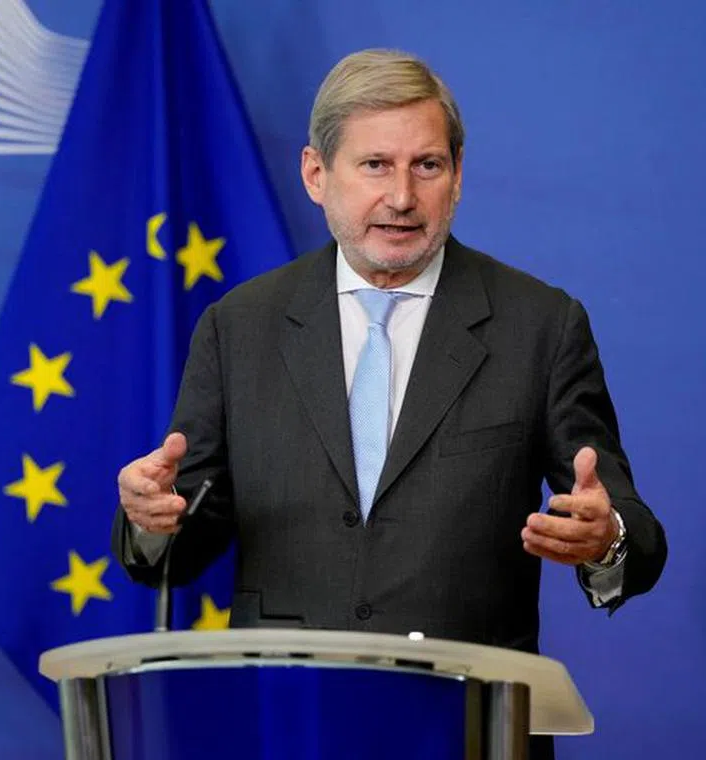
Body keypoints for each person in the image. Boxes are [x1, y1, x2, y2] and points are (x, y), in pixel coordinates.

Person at [113, 48, 666, 746]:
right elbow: (180, 543)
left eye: (426, 166)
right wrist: (153, 520)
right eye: (375, 164)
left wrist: (605, 539)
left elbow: (633, 531)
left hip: (468, 731)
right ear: (317, 175)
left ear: (457, 176)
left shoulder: (540, 326)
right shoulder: (240, 327)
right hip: (290, 724)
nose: (402, 197)